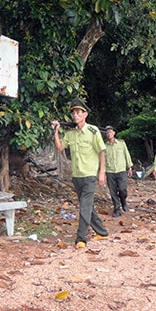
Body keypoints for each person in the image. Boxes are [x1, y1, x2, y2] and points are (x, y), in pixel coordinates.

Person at [51, 98, 109, 249]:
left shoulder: (93, 131)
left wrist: (102, 172)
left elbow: (102, 151)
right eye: (73, 112)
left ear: (85, 114)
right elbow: (60, 148)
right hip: (76, 176)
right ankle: (102, 232)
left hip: (89, 175)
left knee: (84, 206)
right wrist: (56, 131)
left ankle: (81, 238)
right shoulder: (71, 133)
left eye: (78, 112)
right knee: (87, 206)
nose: (75, 115)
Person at [104, 125, 133, 217]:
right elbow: (102, 160)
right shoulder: (104, 146)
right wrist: (103, 172)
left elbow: (126, 154)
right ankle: (117, 209)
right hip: (110, 171)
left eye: (110, 132)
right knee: (112, 192)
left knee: (122, 189)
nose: (109, 134)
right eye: (107, 132)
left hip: (121, 170)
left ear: (114, 133)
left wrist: (129, 167)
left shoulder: (121, 143)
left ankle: (123, 202)